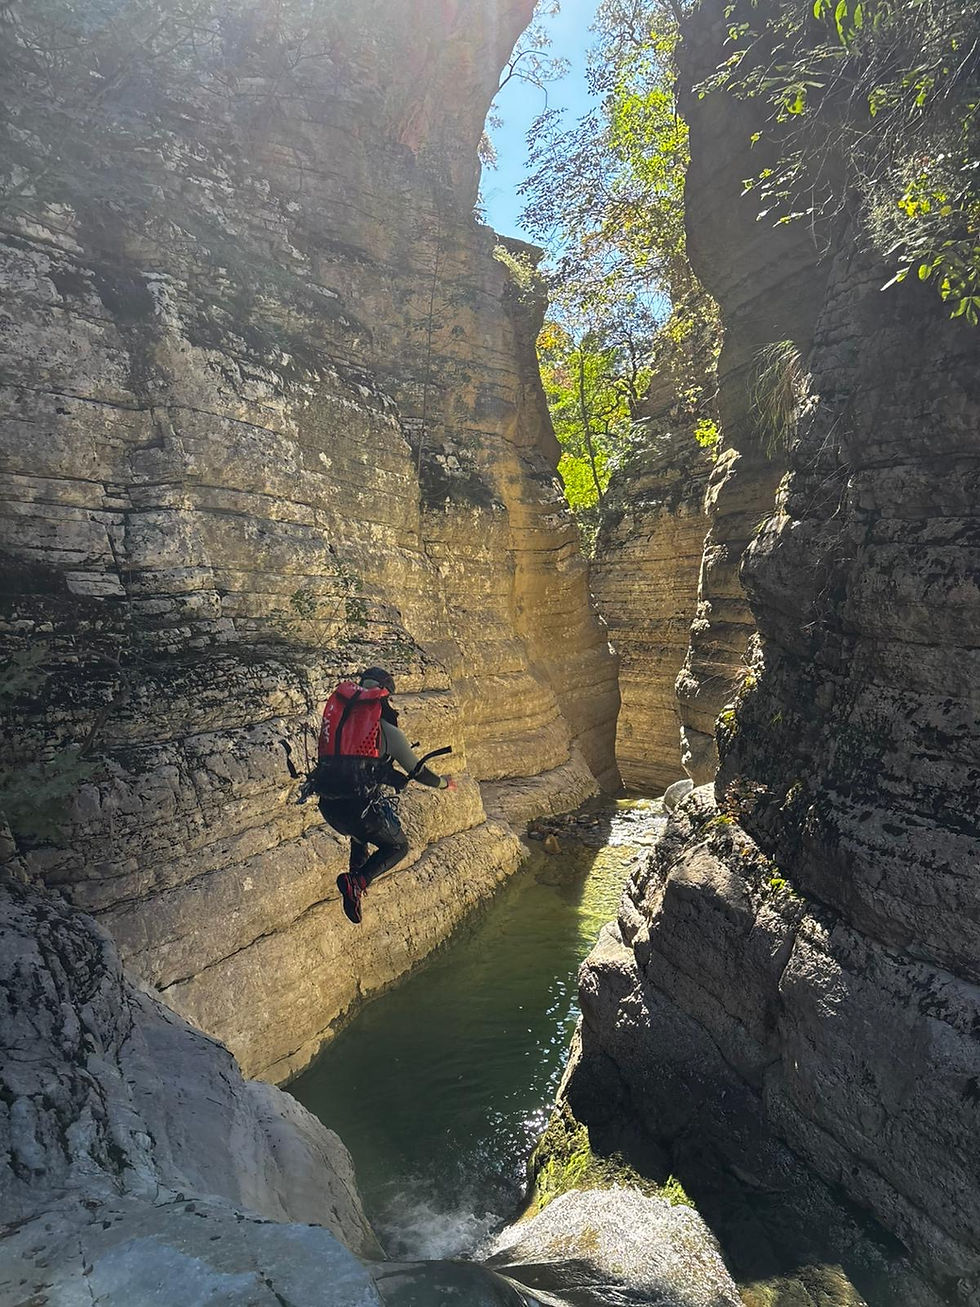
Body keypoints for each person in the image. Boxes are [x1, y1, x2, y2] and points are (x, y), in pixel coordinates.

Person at [314, 666, 456, 924]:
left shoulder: (337, 726)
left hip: (330, 809)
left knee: (361, 831)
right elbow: (420, 772)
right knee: (398, 846)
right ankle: (357, 881)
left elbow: (352, 768)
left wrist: (386, 775)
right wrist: (444, 783)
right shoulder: (386, 731)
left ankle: (355, 876)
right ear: (383, 695)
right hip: (359, 812)